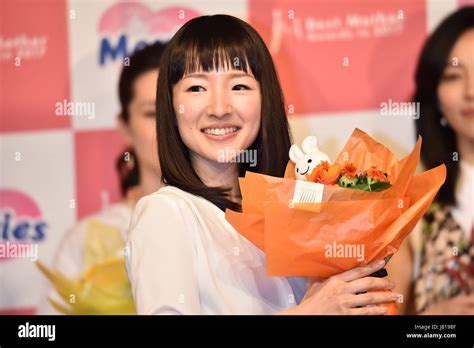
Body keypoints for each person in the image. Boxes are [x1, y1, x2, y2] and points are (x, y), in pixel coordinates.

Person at [125, 15, 399, 315]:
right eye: (196, 88)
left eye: (239, 86)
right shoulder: (165, 213)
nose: (219, 109)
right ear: (170, 105)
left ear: (265, 99)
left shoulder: (288, 213)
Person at [39, 42, 166, 314]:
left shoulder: (229, 224)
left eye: (176, 110)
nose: (167, 127)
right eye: (152, 113)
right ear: (125, 127)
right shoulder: (87, 240)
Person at [386, 7, 474, 314]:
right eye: (453, 76)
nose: (471, 92)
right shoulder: (410, 198)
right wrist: (432, 322)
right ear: (434, 93)